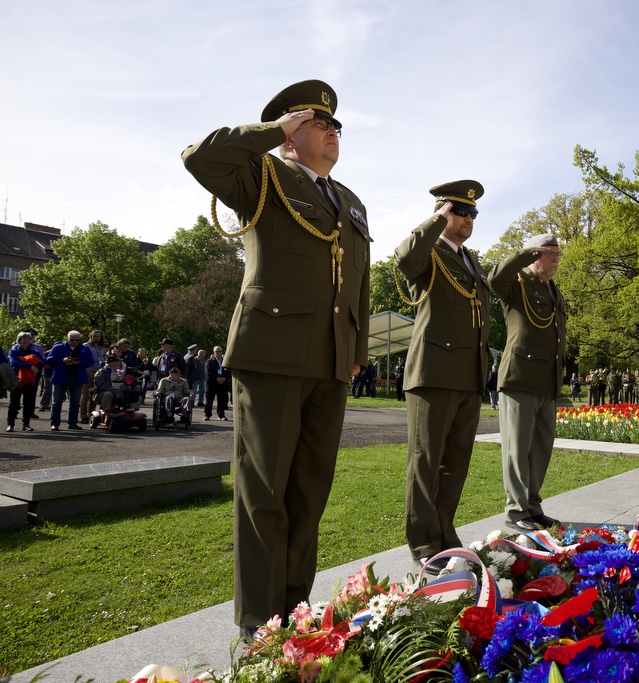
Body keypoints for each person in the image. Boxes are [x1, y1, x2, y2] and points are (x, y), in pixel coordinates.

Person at [182, 79, 371, 639]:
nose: (333, 131)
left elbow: (357, 281)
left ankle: (294, 612)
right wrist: (274, 132)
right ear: (290, 132)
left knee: (309, 492)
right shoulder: (263, 173)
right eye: (319, 121)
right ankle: (260, 625)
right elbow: (201, 158)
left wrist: (356, 352)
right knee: (263, 491)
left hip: (332, 361)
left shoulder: (352, 201)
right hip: (272, 352)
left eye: (337, 124)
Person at [394, 179, 491, 576]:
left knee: (455, 463)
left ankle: (444, 533)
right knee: (426, 460)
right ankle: (422, 541)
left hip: (468, 375)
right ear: (441, 211)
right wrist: (434, 221)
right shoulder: (429, 251)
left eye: (472, 214)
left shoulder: (471, 261)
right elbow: (403, 259)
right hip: (433, 373)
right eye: (459, 211)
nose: (467, 219)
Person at [488, 233, 566, 532]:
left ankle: (532, 506)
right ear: (535, 255)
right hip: (520, 377)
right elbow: (495, 278)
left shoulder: (552, 290)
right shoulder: (517, 283)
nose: (556, 259)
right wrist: (526, 253)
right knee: (517, 450)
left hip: (547, 381)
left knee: (540, 449)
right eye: (549, 254)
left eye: (557, 254)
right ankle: (516, 511)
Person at [44, 330, 95, 431]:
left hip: (77, 376)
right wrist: (62, 360)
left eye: (77, 340)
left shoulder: (84, 348)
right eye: (72, 340)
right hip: (60, 376)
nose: (75, 342)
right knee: (56, 401)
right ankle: (54, 423)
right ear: (67, 338)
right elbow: (49, 360)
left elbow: (90, 362)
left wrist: (79, 362)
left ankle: (72, 423)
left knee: (75, 402)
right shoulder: (58, 347)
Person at [8, 332, 43, 432]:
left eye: (28, 339)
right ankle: (10, 424)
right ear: (19, 340)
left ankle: (26, 424)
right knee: (14, 402)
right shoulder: (14, 351)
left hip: (30, 380)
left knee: (28, 403)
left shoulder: (35, 351)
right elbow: (14, 363)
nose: (26, 341)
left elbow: (41, 363)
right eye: (24, 339)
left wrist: (25, 360)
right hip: (17, 380)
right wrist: (30, 365)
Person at [93, 353, 131, 422]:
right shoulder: (101, 372)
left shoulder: (119, 372)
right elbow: (101, 385)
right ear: (113, 363)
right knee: (108, 394)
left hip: (120, 391)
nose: (120, 363)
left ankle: (129, 413)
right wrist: (114, 392)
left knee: (135, 395)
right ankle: (107, 415)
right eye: (118, 362)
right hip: (103, 392)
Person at [80, 329, 107, 423]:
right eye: (94, 336)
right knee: (86, 394)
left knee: (95, 394)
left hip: (99, 372)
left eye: (98, 336)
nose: (96, 338)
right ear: (91, 337)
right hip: (88, 371)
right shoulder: (85, 346)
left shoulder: (101, 347)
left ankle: (91, 414)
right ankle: (83, 415)